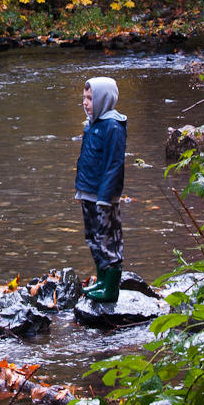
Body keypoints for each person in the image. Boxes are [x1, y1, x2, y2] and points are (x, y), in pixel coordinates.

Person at [75, 77, 127, 303]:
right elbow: (85, 160)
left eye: (90, 98)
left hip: (104, 195)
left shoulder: (112, 126)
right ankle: (101, 280)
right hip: (88, 190)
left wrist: (106, 197)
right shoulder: (91, 124)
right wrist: (80, 190)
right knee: (93, 237)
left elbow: (114, 164)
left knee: (107, 237)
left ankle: (111, 287)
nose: (85, 103)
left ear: (104, 99)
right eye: (84, 98)